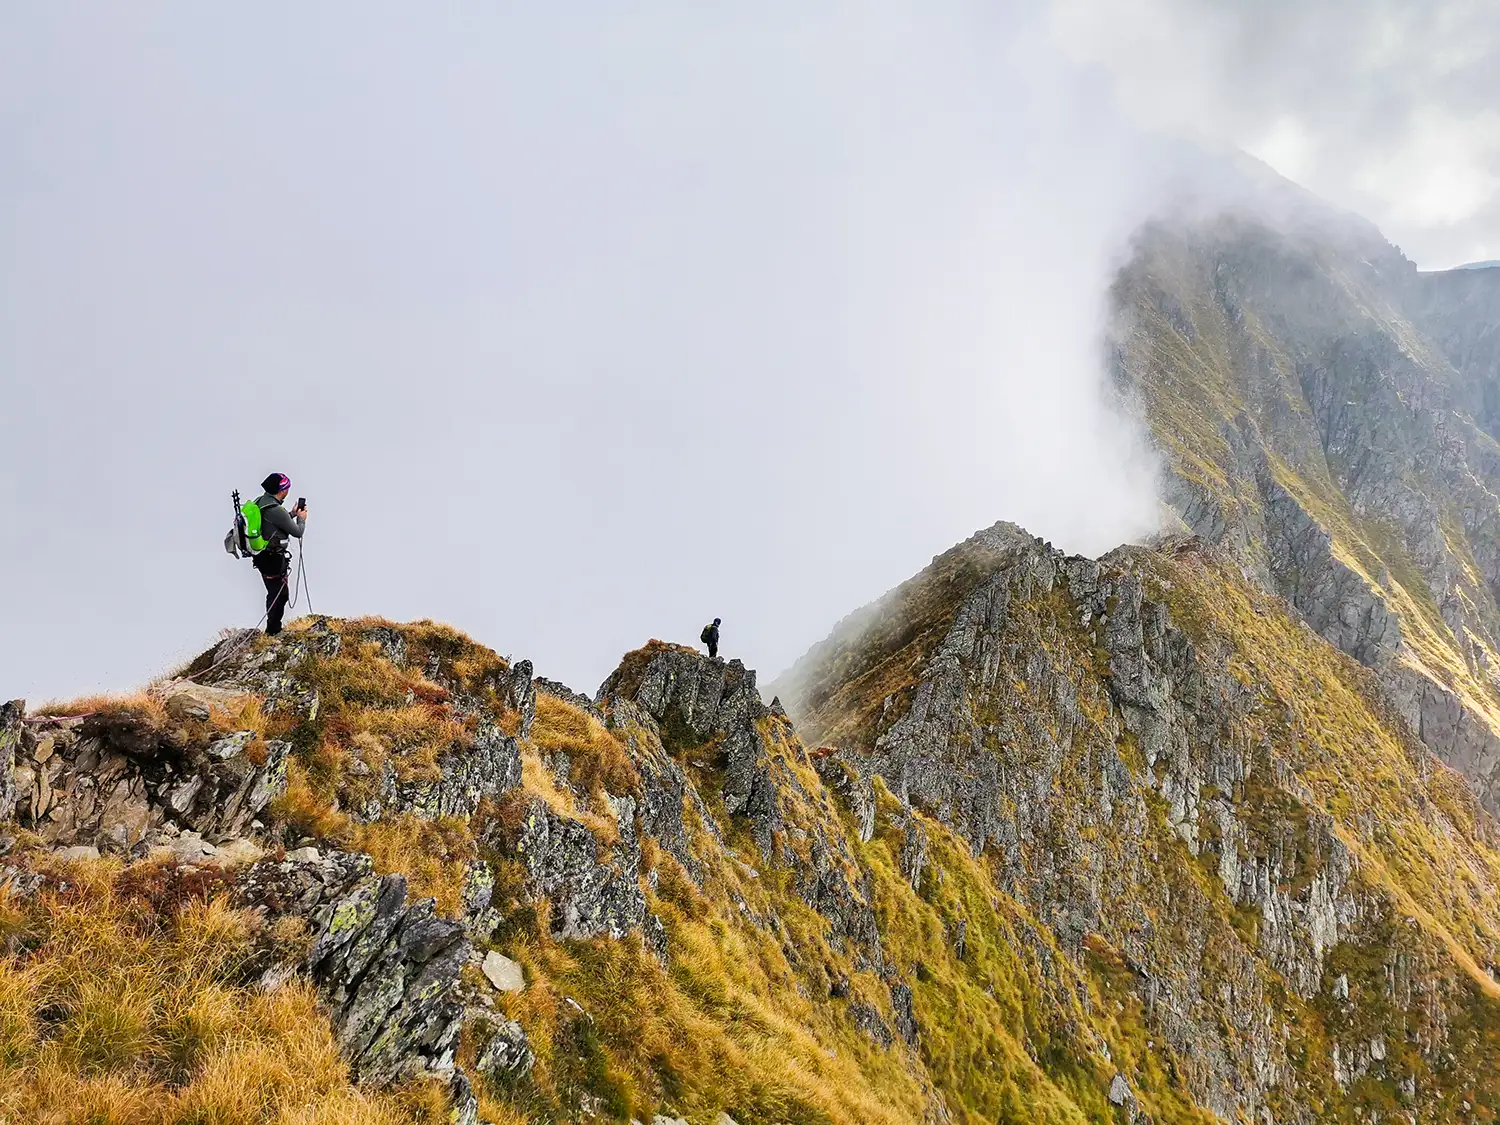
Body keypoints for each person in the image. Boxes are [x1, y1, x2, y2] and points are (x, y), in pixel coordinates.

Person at [251, 472, 307, 635]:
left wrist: (290, 514)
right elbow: (297, 532)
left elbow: (273, 523)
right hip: (273, 559)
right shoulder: (276, 510)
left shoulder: (261, 502)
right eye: (287, 487)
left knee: (274, 592)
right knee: (280, 595)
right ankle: (273, 630)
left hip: (262, 556)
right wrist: (301, 518)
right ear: (282, 490)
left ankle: (272, 627)